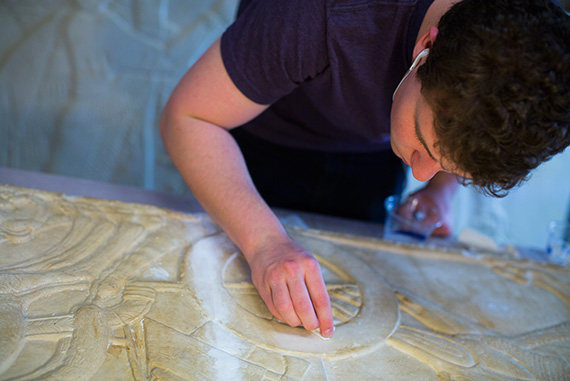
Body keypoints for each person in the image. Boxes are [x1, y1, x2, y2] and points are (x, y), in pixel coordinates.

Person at [160, 0, 570, 338]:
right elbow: (189, 118)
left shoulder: (523, 48)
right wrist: (265, 242)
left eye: (445, 163)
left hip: (371, 157)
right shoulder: (314, 15)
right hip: (261, 137)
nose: (420, 172)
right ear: (426, 48)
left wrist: (441, 191)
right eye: (423, 144)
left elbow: (467, 132)